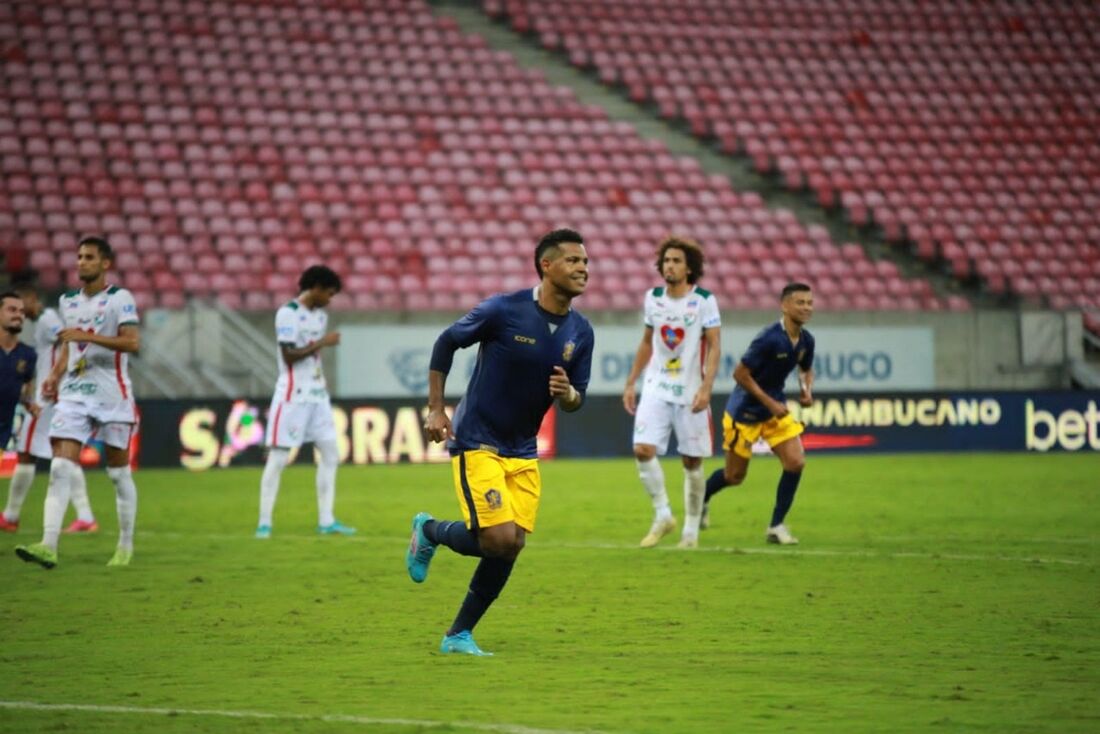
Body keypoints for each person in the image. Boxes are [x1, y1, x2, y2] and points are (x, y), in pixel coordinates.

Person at [405, 228, 594, 656]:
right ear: (546, 266)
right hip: (478, 440)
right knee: (496, 539)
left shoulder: (581, 332)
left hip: (523, 449)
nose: (583, 268)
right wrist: (436, 408)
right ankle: (429, 530)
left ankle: (458, 636)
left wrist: (569, 395)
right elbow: (447, 342)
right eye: (573, 261)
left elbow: (575, 399)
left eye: (586, 262)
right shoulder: (503, 310)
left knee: (513, 545)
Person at [15, 236, 141, 568]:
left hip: (112, 396)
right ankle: (48, 545)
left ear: (105, 264)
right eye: (79, 256)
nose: (81, 262)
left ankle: (125, 545)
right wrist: (56, 373)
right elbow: (70, 347)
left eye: (89, 257)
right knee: (59, 467)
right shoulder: (67, 301)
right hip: (74, 394)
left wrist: (89, 336)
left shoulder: (120, 298)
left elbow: (132, 343)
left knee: (118, 474)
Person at [622, 237, 720, 549]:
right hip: (656, 385)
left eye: (676, 261)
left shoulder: (704, 300)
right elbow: (646, 342)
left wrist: (706, 388)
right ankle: (663, 514)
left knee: (692, 462)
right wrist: (631, 381)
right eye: (666, 261)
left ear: (689, 267)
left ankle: (690, 530)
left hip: (691, 391)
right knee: (642, 449)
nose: (670, 266)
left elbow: (715, 346)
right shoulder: (653, 298)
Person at [703, 282, 815, 545]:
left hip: (774, 413)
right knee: (734, 477)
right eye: (800, 302)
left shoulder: (806, 340)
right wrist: (770, 402)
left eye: (809, 303)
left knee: (796, 462)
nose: (806, 307)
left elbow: (805, 368)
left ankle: (776, 526)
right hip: (745, 412)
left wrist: (806, 390)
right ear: (785, 306)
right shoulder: (768, 338)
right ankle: (703, 498)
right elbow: (740, 374)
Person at [255, 265, 354, 539]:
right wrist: (322, 343)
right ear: (317, 288)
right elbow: (288, 356)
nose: (330, 300)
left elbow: (311, 355)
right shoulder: (288, 313)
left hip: (317, 395)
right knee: (278, 457)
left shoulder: (319, 316)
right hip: (292, 395)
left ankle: (326, 520)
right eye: (329, 293)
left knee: (331, 453)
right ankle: (264, 522)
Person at [1, 282, 97, 534]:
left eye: (22, 304)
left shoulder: (47, 318)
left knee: (26, 452)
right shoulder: (43, 321)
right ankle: (85, 517)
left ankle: (10, 516)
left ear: (32, 297)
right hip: (57, 396)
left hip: (47, 399)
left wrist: (56, 380)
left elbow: (69, 341)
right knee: (62, 455)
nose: (21, 311)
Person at [0, 292, 38, 467]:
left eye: (22, 311)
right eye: (12, 310)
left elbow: (24, 388)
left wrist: (30, 404)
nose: (18, 315)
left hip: (3, 429)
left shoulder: (27, 354)